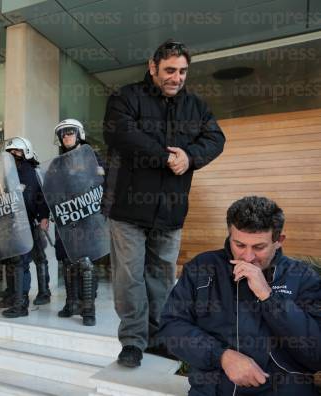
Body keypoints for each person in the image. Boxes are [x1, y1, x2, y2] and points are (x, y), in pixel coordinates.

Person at [102, 39, 226, 367]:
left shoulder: (196, 107)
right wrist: (164, 156)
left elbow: (216, 139)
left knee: (161, 276)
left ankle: (159, 337)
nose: (177, 77)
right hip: (128, 208)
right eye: (170, 70)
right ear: (152, 67)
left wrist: (191, 156)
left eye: (183, 71)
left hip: (171, 209)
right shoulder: (126, 97)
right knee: (130, 277)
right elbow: (120, 134)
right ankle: (132, 340)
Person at [158, 196, 321, 395]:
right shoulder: (202, 267)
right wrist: (221, 356)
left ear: (279, 241)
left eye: (259, 247)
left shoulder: (303, 277)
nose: (248, 257)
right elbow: (171, 326)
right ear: (229, 235)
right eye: (239, 245)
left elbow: (316, 354)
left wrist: (268, 297)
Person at [52, 119, 105, 326]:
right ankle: (71, 303)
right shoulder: (58, 162)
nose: (66, 137)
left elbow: (103, 181)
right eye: (63, 134)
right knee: (67, 261)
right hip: (66, 218)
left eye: (70, 133)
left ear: (79, 134)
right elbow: (51, 188)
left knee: (86, 262)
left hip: (87, 217)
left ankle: (88, 308)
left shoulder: (91, 156)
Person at [0, 137, 49, 318]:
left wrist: (43, 217)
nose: (12, 155)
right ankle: (13, 296)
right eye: (9, 152)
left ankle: (22, 303)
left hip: (27, 222)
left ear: (25, 152)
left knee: (23, 261)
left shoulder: (31, 172)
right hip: (9, 222)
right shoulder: (8, 173)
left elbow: (41, 197)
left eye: (16, 152)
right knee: (12, 260)